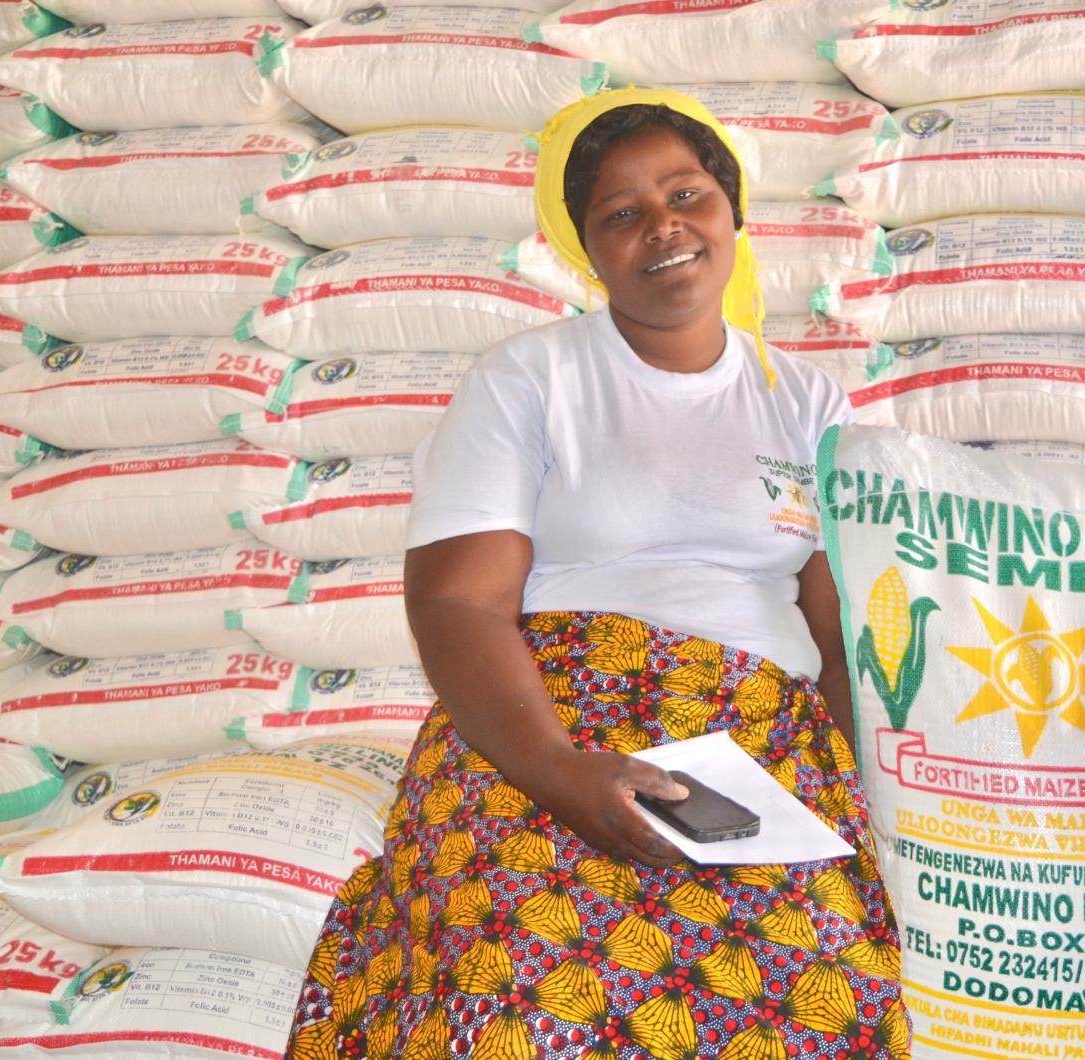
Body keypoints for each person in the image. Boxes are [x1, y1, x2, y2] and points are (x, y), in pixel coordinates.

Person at [284, 88, 909, 1060]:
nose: (662, 224)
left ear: (730, 211)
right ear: (588, 247)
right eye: (621, 213)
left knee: (837, 1003)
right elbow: (455, 601)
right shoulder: (530, 380)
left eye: (686, 193)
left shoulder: (808, 403)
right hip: (549, 728)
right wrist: (561, 773)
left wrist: (860, 802)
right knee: (521, 993)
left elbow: (839, 637)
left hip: (759, 760)